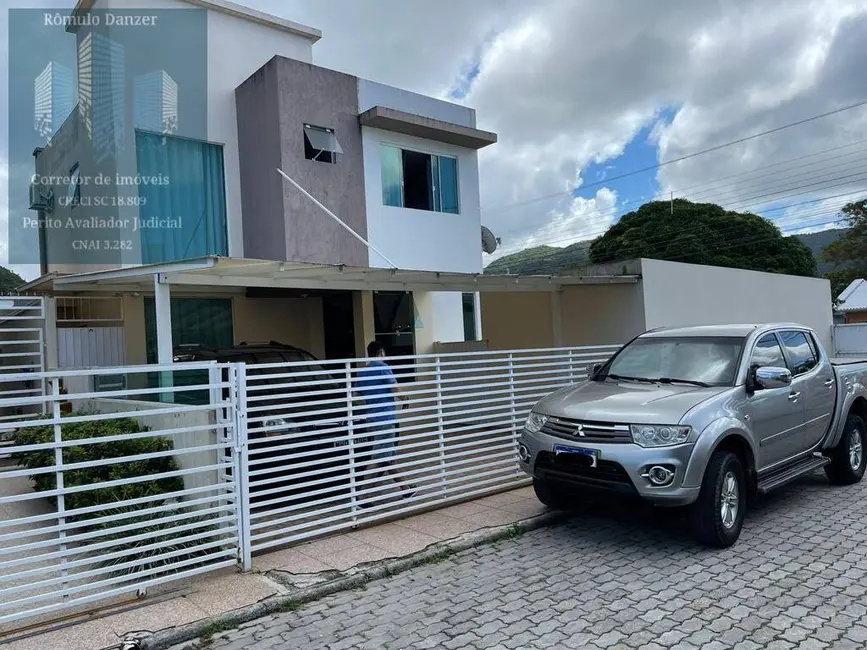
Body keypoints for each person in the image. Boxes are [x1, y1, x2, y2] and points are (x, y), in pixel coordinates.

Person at [353, 341, 417, 506]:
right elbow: (394, 388)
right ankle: (361, 496)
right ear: (381, 352)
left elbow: (357, 392)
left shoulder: (362, 373)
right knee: (380, 457)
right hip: (385, 419)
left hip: (371, 419)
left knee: (388, 455)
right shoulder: (383, 367)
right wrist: (405, 399)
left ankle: (406, 489)